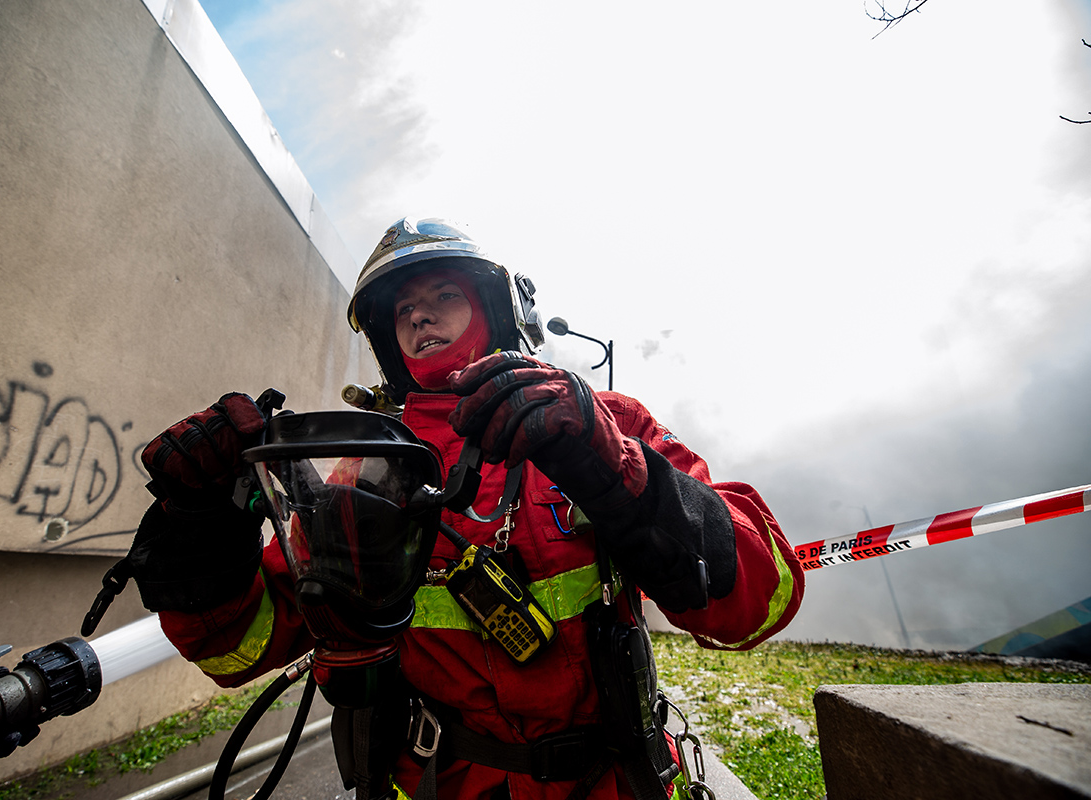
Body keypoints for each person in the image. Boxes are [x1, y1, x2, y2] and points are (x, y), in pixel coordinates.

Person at [128, 217, 805, 800]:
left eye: (443, 294)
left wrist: (608, 465)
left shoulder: (603, 423)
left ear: (493, 305)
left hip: (613, 779)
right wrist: (201, 524)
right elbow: (234, 650)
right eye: (404, 310)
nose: (420, 315)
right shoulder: (363, 470)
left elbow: (757, 602)